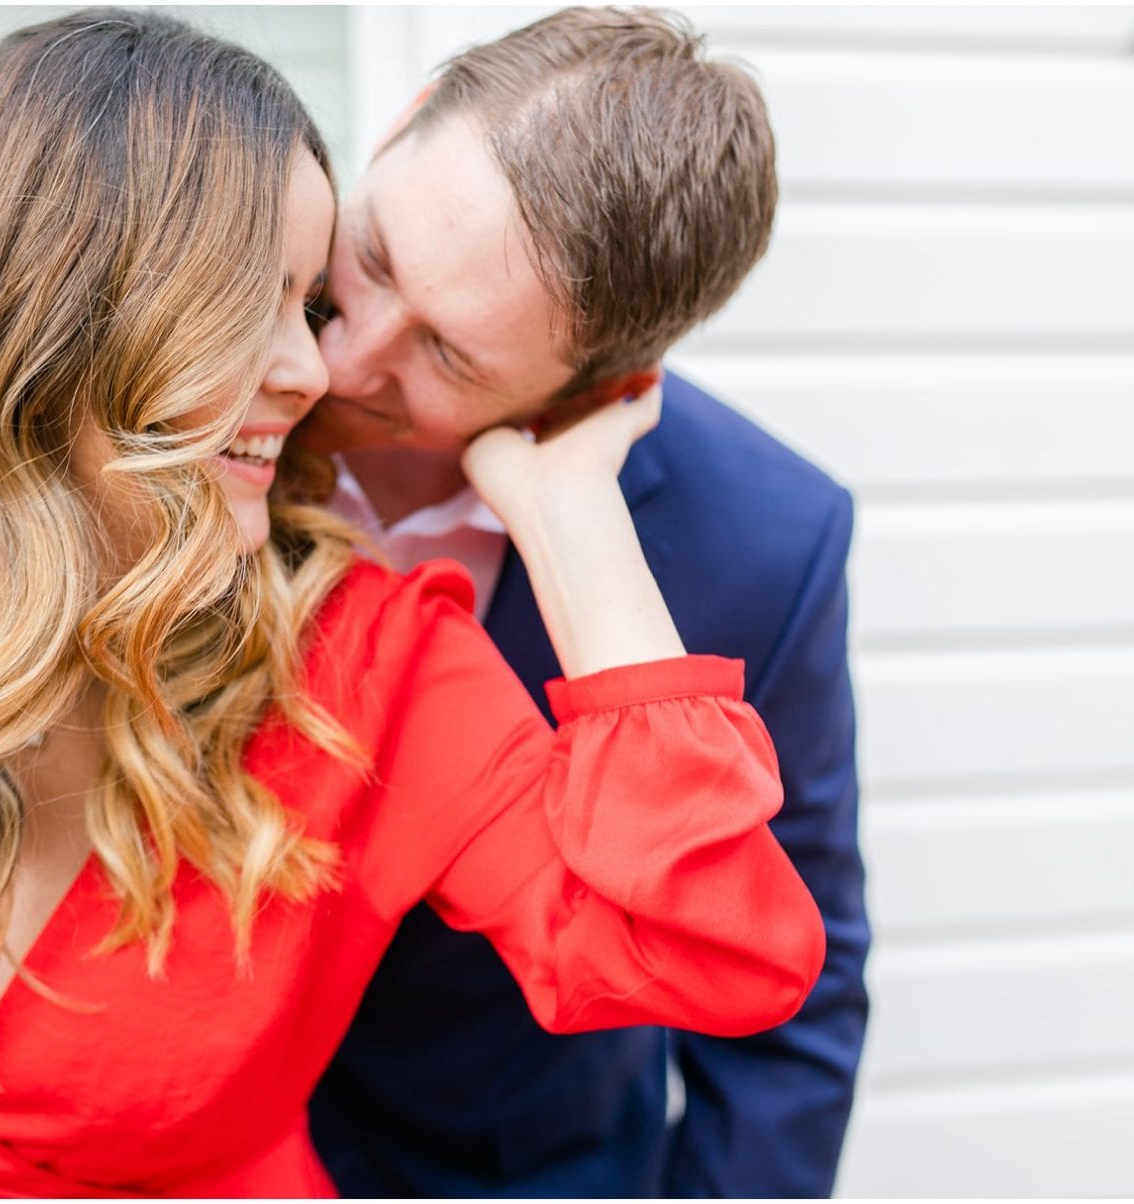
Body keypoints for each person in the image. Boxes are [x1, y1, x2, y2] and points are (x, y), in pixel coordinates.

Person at [0, 9, 825, 1198]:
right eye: (325, 282)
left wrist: (570, 521)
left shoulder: (383, 664)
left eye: (445, 353)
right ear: (68, 300)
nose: (325, 364)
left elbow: (723, 956)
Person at [295, 7, 870, 1198]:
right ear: (401, 125)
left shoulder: (764, 541)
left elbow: (792, 999)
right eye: (381, 257)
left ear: (604, 386)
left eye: (448, 358)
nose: (348, 365)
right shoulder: (179, 358)